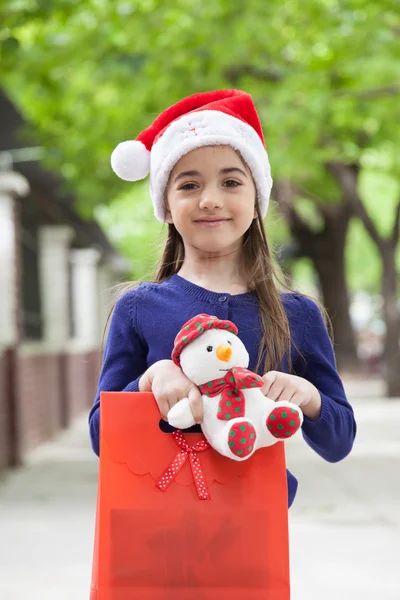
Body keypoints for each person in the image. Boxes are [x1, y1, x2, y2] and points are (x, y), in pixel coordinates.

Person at [88, 89, 356, 507]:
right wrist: (149, 380)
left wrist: (310, 398)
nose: (210, 199)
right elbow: (100, 437)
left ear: (256, 200)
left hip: (255, 530)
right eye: (189, 184)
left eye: (231, 181)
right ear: (167, 206)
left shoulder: (296, 315)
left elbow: (339, 441)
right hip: (155, 528)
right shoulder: (138, 308)